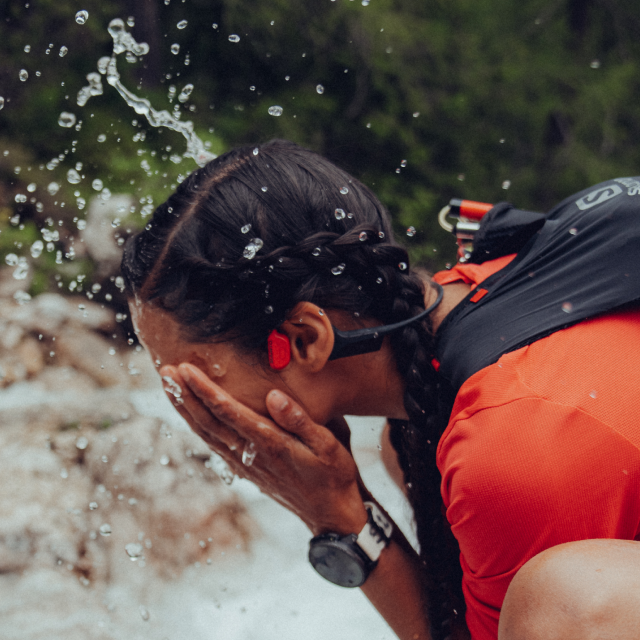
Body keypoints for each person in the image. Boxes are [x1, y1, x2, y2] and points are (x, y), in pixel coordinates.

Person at [121, 139, 640, 640]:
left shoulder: (511, 449)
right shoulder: (474, 293)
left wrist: (339, 514)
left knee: (566, 605)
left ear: (304, 340)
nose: (187, 409)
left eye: (193, 382)